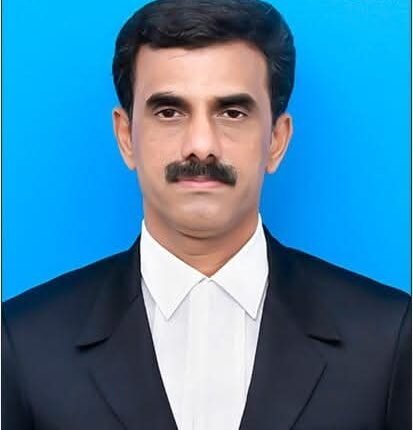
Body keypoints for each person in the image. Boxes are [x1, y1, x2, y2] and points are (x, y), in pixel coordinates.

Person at [2, 0, 411, 428]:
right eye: (169, 112)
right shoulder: (23, 345)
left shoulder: (386, 340)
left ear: (276, 140)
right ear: (125, 136)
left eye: (232, 112)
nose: (201, 145)